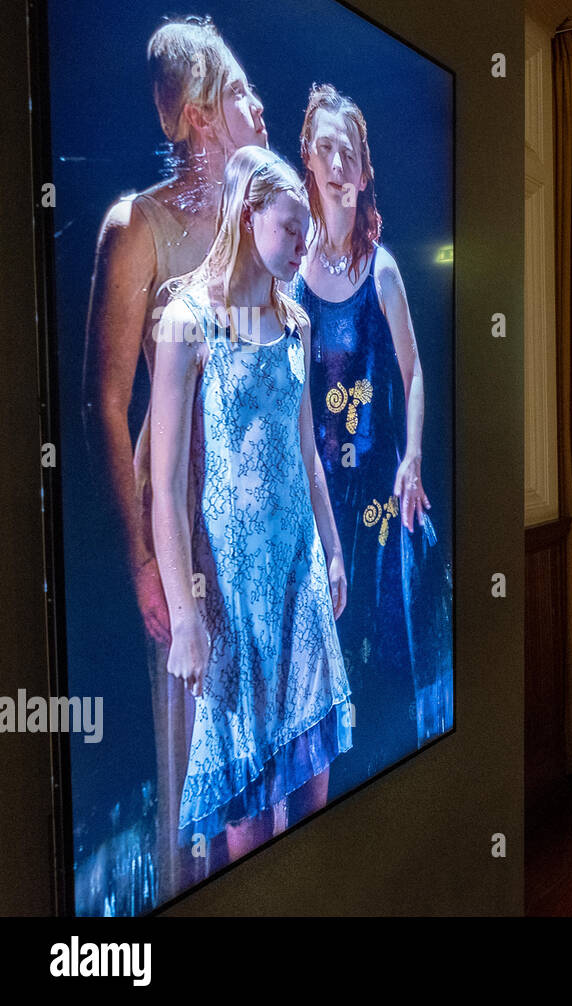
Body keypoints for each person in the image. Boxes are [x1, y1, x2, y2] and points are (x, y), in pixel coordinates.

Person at [81, 14, 267, 897]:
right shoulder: (138, 228)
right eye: (238, 94)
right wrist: (143, 562)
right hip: (184, 536)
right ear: (197, 113)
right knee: (199, 759)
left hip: (263, 533)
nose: (257, 107)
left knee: (267, 756)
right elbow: (103, 405)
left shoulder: (262, 226)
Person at [150, 145, 352, 860]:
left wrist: (332, 550)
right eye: (292, 228)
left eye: (308, 232)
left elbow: (308, 458)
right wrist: (184, 619)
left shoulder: (297, 323)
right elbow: (168, 491)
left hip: (299, 577)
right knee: (249, 817)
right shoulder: (186, 321)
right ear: (247, 213)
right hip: (234, 595)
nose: (305, 245)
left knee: (313, 791)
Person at [291, 83, 452, 766]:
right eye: (324, 147)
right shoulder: (288, 270)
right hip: (313, 499)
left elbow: (415, 376)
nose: (336, 162)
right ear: (308, 159)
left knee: (390, 668)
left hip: (379, 502)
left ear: (363, 171)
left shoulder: (381, 270)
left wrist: (412, 455)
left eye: (347, 151)